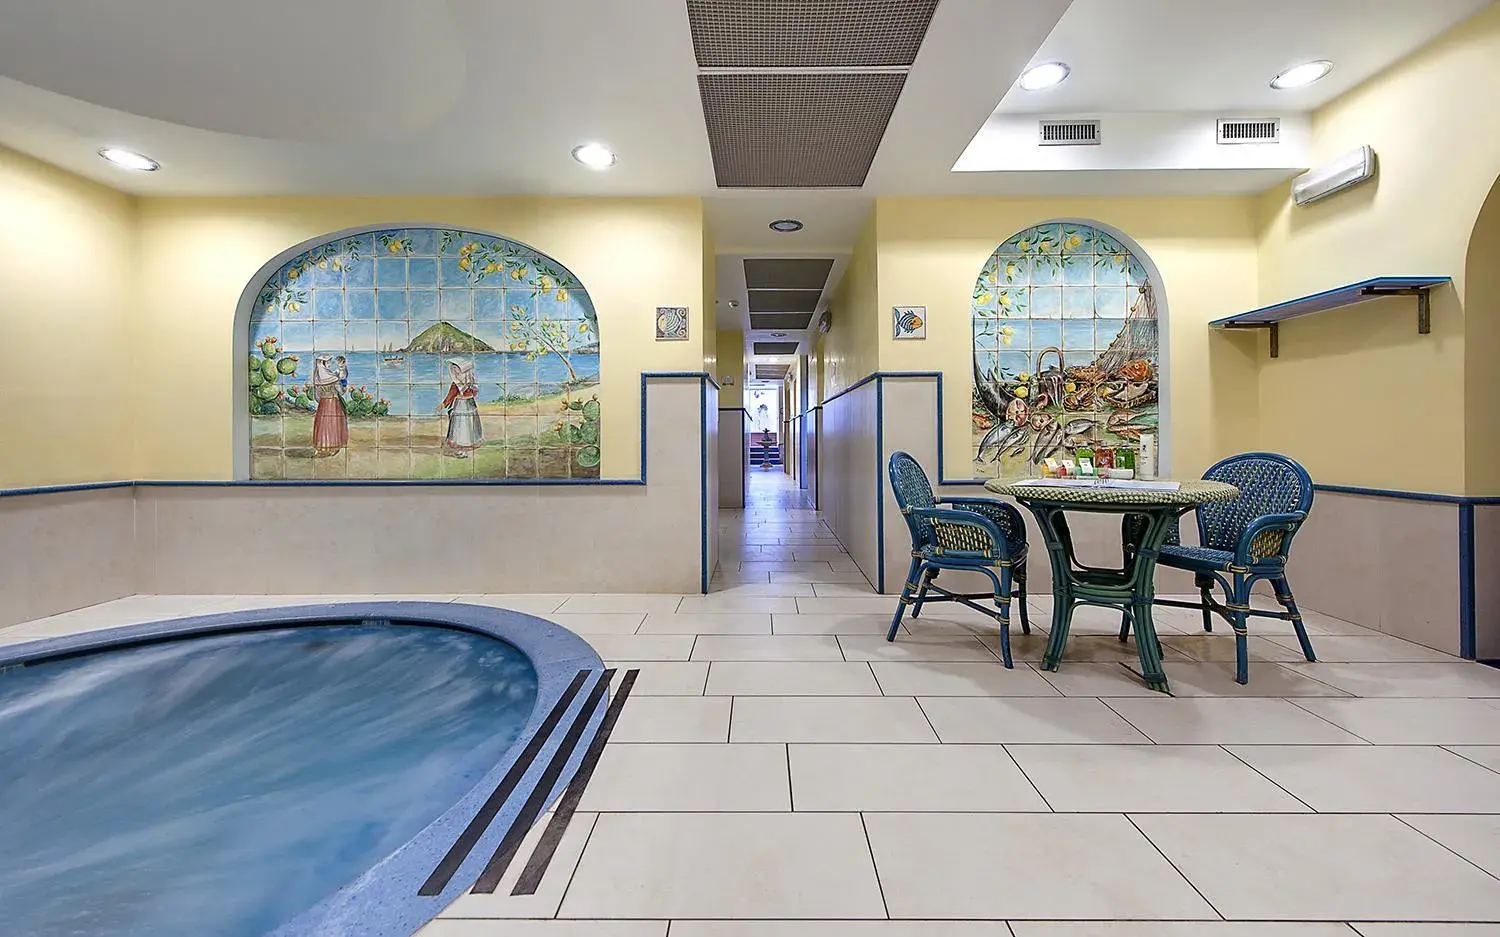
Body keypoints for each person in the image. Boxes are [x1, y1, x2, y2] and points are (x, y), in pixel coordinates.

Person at [438, 359, 483, 457]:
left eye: (457, 368)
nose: (456, 371)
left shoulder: (470, 380)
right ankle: (459, 448)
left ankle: (466, 447)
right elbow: (451, 395)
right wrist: (443, 405)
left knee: (468, 424)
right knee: (459, 426)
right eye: (454, 369)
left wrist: (466, 396)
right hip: (459, 405)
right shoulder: (456, 383)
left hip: (469, 405)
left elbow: (474, 392)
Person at [311, 355, 347, 457]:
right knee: (333, 424)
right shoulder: (333, 378)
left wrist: (323, 399)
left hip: (323, 404)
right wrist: (344, 386)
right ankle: (333, 447)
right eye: (328, 362)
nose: (330, 364)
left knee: (322, 424)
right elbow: (341, 392)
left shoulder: (317, 378)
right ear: (324, 363)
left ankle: (320, 447)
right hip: (333, 403)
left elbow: (317, 397)